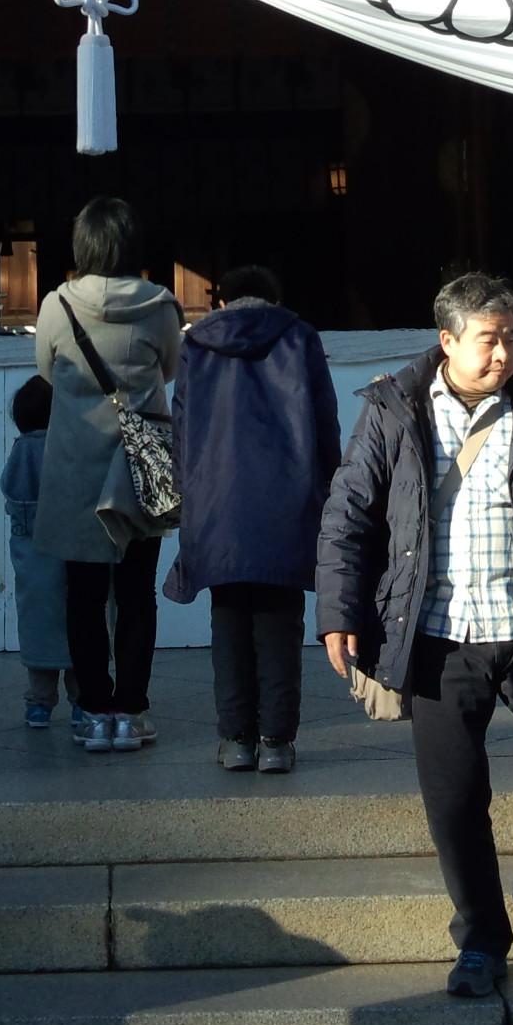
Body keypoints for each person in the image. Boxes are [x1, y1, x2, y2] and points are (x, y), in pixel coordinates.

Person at [316, 272, 513, 998]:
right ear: (448, 341)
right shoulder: (393, 413)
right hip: (435, 633)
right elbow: (348, 516)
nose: (503, 353)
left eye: (512, 337)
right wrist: (339, 611)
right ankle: (482, 940)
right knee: (455, 797)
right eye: (489, 339)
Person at [164, 264, 342, 774]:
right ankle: (277, 743)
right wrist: (328, 489)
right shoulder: (299, 337)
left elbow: (183, 426)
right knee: (281, 622)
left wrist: (188, 492)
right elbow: (323, 420)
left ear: (223, 300)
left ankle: (237, 740)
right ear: (274, 299)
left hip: (217, 500)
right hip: (285, 500)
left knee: (229, 620)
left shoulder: (197, 344)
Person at [34, 196, 184, 755]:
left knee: (83, 595)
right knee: (138, 593)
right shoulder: (162, 307)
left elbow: (48, 371)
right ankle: (132, 710)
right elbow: (169, 367)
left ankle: (94, 710)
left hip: (76, 467)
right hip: (140, 468)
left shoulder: (57, 305)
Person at [1, 373, 76, 731]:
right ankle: (82, 703)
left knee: (37, 635)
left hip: (30, 564)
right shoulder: (65, 446)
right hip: (69, 557)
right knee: (78, 631)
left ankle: (39, 706)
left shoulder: (19, 452)